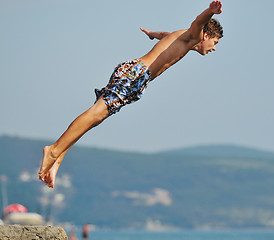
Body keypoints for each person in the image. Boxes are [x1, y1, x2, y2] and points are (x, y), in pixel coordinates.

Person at [39, 1, 223, 188]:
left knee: (96, 118)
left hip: (134, 75)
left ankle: (58, 159)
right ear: (205, 35)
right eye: (214, 43)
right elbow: (199, 22)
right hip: (136, 75)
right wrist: (210, 11)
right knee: (96, 113)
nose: (214, 48)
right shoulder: (194, 34)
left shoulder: (183, 39)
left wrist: (153, 35)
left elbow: (165, 36)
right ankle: (53, 151)